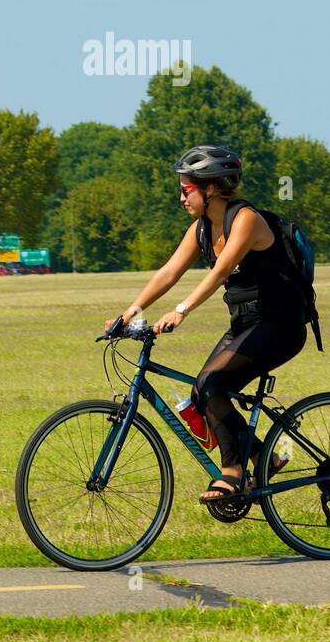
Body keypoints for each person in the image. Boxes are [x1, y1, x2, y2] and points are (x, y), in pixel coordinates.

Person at [117, 144, 307, 503]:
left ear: (211, 187)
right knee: (200, 392)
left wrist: (181, 310)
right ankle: (268, 457)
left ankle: (233, 474)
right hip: (246, 323)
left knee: (211, 385)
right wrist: (129, 313)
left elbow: (221, 271)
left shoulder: (246, 219)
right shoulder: (201, 229)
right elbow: (170, 271)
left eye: (186, 189)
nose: (181, 197)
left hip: (281, 324)